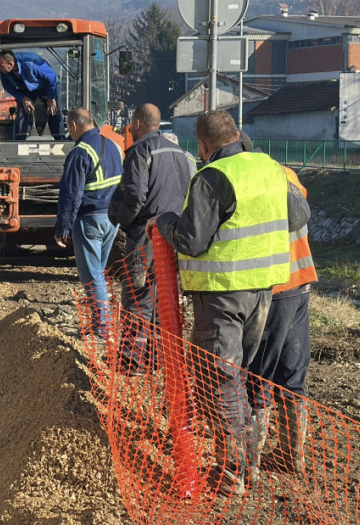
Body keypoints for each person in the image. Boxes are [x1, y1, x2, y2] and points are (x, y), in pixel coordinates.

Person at [151, 110, 310, 495]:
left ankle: (234, 472)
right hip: (263, 293)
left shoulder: (211, 177)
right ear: (238, 135)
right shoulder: (271, 168)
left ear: (203, 146)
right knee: (237, 377)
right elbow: (299, 216)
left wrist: (164, 221)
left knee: (219, 381)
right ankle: (247, 464)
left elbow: (191, 240)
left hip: (222, 293)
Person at [242, 138, 317, 483]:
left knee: (260, 375)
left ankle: (251, 462)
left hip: (274, 287)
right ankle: (292, 454)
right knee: (292, 374)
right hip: (302, 281)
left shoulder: (249, 180)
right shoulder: (287, 174)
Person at [107, 103, 193, 374]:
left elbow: (135, 197)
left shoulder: (141, 151)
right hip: (174, 233)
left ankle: (132, 361)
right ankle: (157, 357)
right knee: (163, 297)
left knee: (137, 295)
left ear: (137, 123)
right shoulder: (179, 152)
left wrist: (123, 221)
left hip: (146, 235)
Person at [54, 107, 122, 337]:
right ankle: (100, 323)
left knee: (92, 276)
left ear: (73, 126)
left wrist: (63, 226)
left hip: (90, 220)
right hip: (111, 219)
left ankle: (102, 327)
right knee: (99, 273)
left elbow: (70, 195)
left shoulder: (80, 152)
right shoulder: (112, 146)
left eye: (67, 127)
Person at [0, 50, 64, 140]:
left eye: (1, 66)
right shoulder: (4, 72)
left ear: (10, 64)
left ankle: (59, 138)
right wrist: (22, 98)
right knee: (23, 111)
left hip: (47, 86)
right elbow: (8, 87)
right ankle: (20, 140)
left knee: (54, 110)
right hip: (26, 88)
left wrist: (51, 98)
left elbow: (52, 77)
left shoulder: (31, 64)